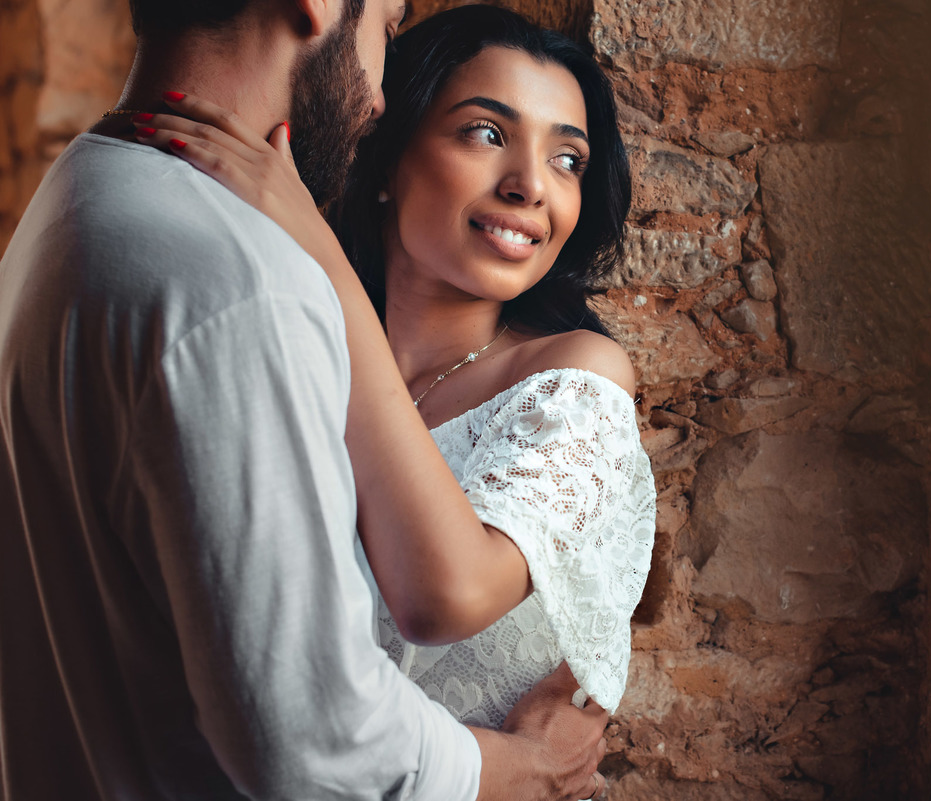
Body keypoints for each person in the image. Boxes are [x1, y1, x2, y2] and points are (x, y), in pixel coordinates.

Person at [0, 0, 610, 798]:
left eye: (569, 157)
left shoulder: (75, 196)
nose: (379, 100)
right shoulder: (248, 290)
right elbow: (316, 736)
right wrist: (513, 770)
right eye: (386, 27)